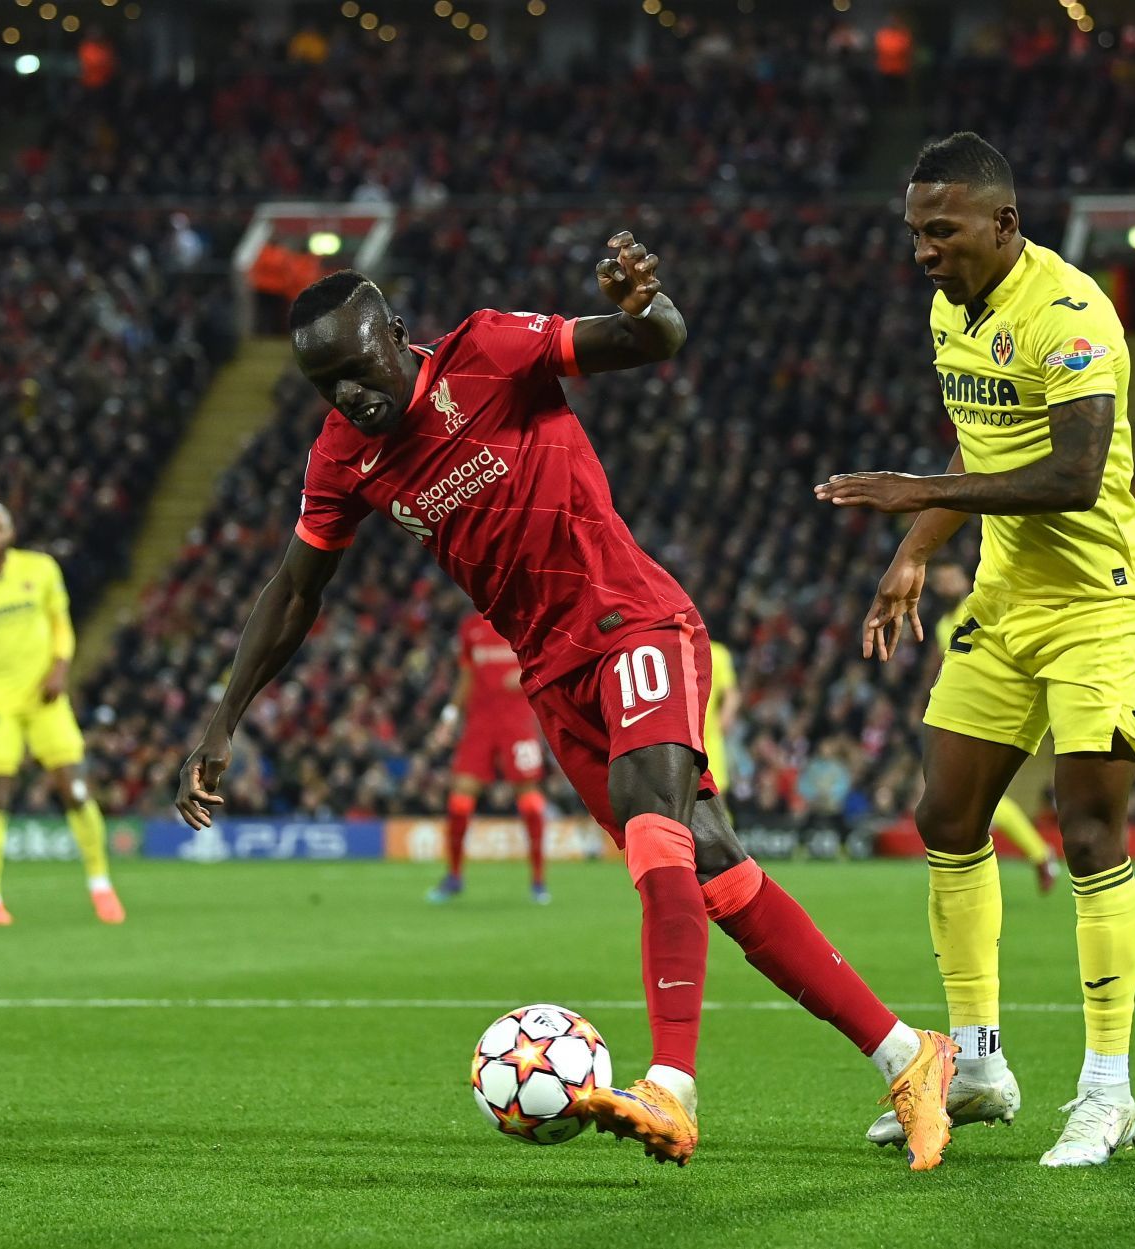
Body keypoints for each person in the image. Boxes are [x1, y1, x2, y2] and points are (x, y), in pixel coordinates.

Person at [174, 235, 956, 1170]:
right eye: (323, 384)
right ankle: (911, 1056)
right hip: (550, 674)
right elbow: (295, 590)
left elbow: (652, 341)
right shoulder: (344, 458)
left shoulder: (493, 350)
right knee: (716, 872)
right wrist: (223, 717)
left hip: (632, 620)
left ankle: (671, 1085)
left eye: (355, 367)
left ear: (396, 333)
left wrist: (644, 302)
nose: (346, 395)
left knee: (653, 827)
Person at [816, 133, 1135, 1167]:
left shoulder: (1070, 313)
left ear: (1002, 225)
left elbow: (1076, 473)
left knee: (1089, 830)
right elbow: (982, 440)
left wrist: (920, 494)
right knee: (947, 813)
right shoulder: (947, 312)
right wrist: (916, 551)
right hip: (1005, 599)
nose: (924, 249)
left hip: (1097, 601)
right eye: (915, 231)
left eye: (943, 230)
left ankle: (1108, 1092)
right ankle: (977, 1062)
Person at [0, 503, 124, 926]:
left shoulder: (40, 569)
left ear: (11, 529)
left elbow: (61, 624)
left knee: (74, 789)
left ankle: (101, 885)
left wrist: (60, 668)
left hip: (44, 697)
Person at [928, 563, 1061, 893]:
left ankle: (1035, 856)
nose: (946, 584)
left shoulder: (980, 604)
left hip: (995, 706)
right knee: (979, 797)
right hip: (964, 711)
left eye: (951, 577)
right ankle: (1036, 856)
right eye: (940, 581)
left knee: (980, 797)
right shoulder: (943, 625)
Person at [429, 611, 551, 905]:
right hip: (480, 723)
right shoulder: (470, 627)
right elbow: (466, 676)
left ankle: (538, 880)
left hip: (517, 722)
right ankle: (454, 875)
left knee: (529, 799)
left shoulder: (523, 621)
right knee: (460, 799)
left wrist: (525, 675)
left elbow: (548, 664)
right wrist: (449, 716)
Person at [703, 638, 741, 803]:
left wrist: (722, 721)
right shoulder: (670, 648)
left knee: (715, 796)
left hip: (708, 739)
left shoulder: (716, 653)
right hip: (681, 737)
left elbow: (731, 695)